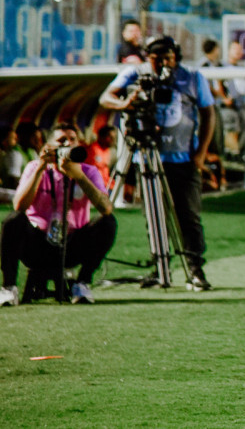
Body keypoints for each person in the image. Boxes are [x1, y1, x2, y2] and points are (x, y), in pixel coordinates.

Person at [99, 35, 215, 290]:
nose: (162, 63)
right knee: (153, 215)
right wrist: (124, 103)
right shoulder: (135, 74)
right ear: (147, 56)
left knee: (188, 215)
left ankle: (195, 268)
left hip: (182, 157)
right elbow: (105, 98)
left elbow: (208, 113)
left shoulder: (192, 78)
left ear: (176, 57)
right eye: (156, 58)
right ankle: (160, 266)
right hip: (147, 156)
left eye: (168, 58)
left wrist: (201, 154)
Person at [0, 123, 115, 306]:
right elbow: (19, 205)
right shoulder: (34, 167)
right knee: (13, 221)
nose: (67, 144)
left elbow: (106, 208)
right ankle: (8, 288)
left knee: (108, 223)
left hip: (72, 243)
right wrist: (41, 167)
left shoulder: (88, 171)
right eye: (61, 140)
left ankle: (82, 283)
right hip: (39, 242)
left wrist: (79, 177)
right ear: (50, 145)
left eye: (71, 140)